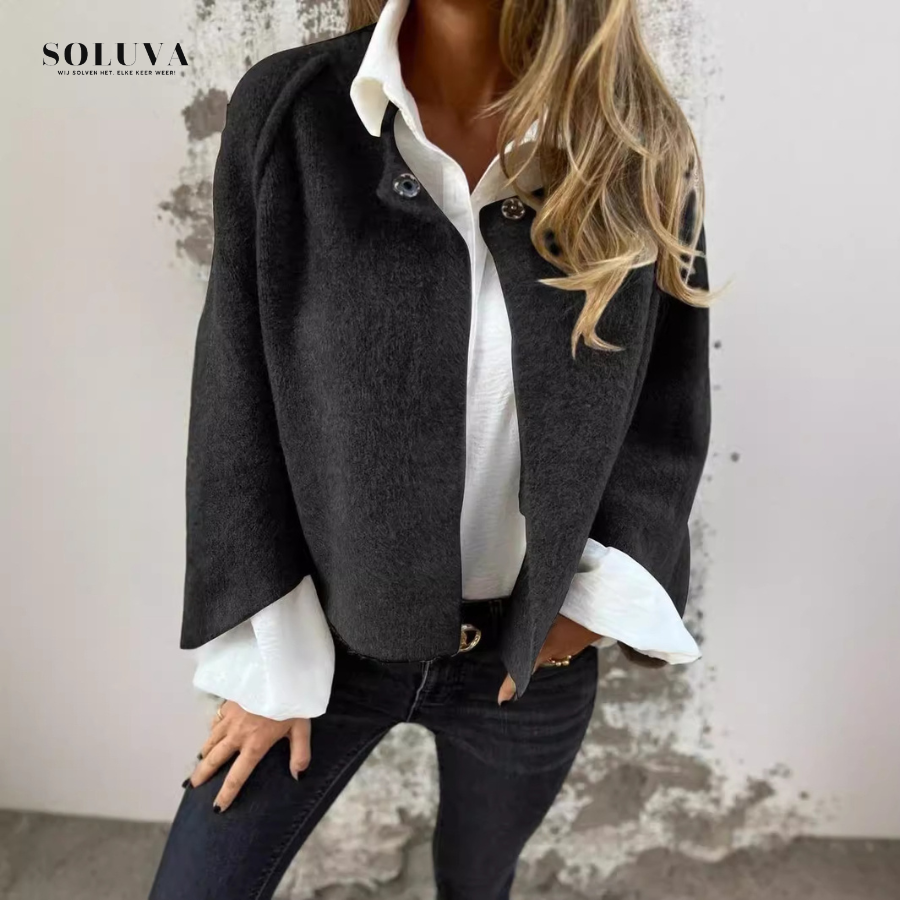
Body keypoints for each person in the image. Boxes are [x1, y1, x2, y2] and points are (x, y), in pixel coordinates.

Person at [148, 0, 715, 896]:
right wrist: (269, 664)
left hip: (527, 660)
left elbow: (666, 408)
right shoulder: (291, 112)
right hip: (326, 639)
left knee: (478, 881)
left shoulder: (635, 140)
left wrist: (583, 609)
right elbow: (234, 398)